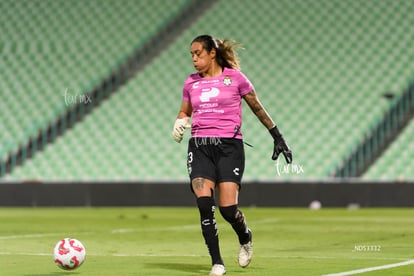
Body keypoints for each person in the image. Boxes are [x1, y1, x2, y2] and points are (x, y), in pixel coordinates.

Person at [172, 34, 292, 276]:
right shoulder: (190, 82)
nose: (194, 59)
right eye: (191, 55)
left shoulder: (235, 78)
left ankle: (245, 236)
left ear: (212, 53)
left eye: (199, 53)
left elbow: (256, 106)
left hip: (229, 147)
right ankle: (217, 262)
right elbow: (185, 111)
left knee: (227, 209)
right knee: (204, 204)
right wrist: (180, 122)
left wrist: (277, 136)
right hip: (200, 146)